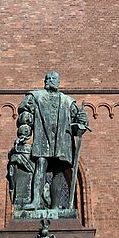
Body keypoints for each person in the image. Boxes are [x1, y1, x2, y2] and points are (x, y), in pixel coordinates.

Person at [18, 71, 88, 210]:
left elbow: (78, 124)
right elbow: (26, 115)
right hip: (43, 136)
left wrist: (82, 120)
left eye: (53, 78)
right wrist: (24, 134)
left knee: (59, 170)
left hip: (62, 140)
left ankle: (55, 206)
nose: (50, 80)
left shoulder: (68, 101)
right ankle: (36, 201)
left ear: (58, 82)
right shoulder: (35, 96)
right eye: (47, 78)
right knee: (41, 164)